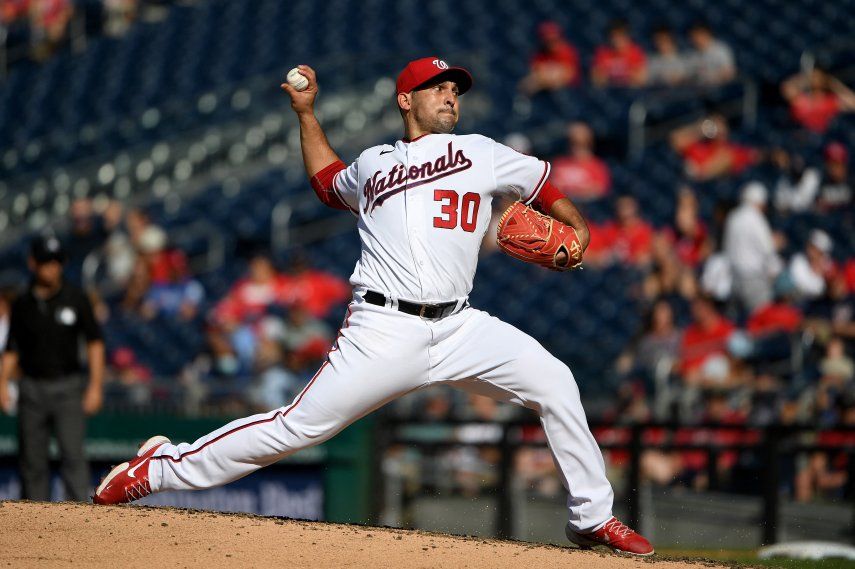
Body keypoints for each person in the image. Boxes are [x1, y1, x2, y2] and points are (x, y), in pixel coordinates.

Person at [93, 57, 654, 556]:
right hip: (382, 328)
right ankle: (159, 469)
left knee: (555, 381)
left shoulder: (482, 153)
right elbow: (326, 183)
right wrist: (306, 114)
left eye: (455, 89)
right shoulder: (372, 163)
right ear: (405, 100)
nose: (450, 96)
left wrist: (577, 225)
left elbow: (541, 181)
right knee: (296, 429)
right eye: (437, 87)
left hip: (459, 325)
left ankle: (592, 518)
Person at [0, 236, 105, 501]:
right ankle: (35, 522)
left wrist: (95, 386)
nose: (52, 268)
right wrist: (2, 383)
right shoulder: (23, 303)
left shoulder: (76, 298)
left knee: (73, 457)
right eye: (46, 262)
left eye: (57, 262)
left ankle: (78, 520)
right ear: (33, 263)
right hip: (32, 387)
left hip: (67, 387)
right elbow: (12, 347)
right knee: (32, 461)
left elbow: (95, 343)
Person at [722, 183, 782, 313]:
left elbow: (726, 248)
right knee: (760, 319)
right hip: (753, 279)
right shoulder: (756, 218)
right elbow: (767, 249)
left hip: (733, 277)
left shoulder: (733, 217)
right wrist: (777, 270)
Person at [670, 113, 758, 180]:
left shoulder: (732, 149)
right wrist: (701, 129)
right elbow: (676, 138)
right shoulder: (699, 149)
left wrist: (719, 134)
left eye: (720, 124)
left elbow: (726, 159)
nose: (717, 127)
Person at [549, 122, 611, 200]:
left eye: (582, 144)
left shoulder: (597, 166)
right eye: (573, 143)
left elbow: (599, 191)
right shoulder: (559, 163)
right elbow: (552, 188)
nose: (577, 148)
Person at [781, 68, 855, 134]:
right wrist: (805, 78)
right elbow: (786, 87)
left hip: (820, 136)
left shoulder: (829, 101)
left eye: (819, 78)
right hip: (802, 133)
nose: (816, 80)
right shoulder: (801, 100)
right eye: (814, 78)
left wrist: (832, 83)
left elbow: (853, 103)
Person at [519, 21, 581, 95]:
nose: (550, 43)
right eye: (547, 40)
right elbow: (534, 73)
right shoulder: (540, 54)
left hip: (568, 92)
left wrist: (546, 75)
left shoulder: (567, 52)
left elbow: (568, 75)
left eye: (553, 39)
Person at [591, 19, 646, 88]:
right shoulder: (602, 52)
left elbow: (640, 79)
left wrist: (610, 76)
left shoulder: (636, 52)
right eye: (614, 36)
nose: (617, 40)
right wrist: (626, 75)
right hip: (608, 92)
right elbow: (596, 79)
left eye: (621, 35)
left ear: (627, 36)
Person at [687, 22, 736, 86]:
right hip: (699, 90)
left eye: (699, 35)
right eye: (693, 37)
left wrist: (711, 78)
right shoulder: (692, 54)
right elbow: (688, 75)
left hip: (720, 88)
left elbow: (729, 73)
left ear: (707, 34)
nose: (696, 39)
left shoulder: (720, 50)